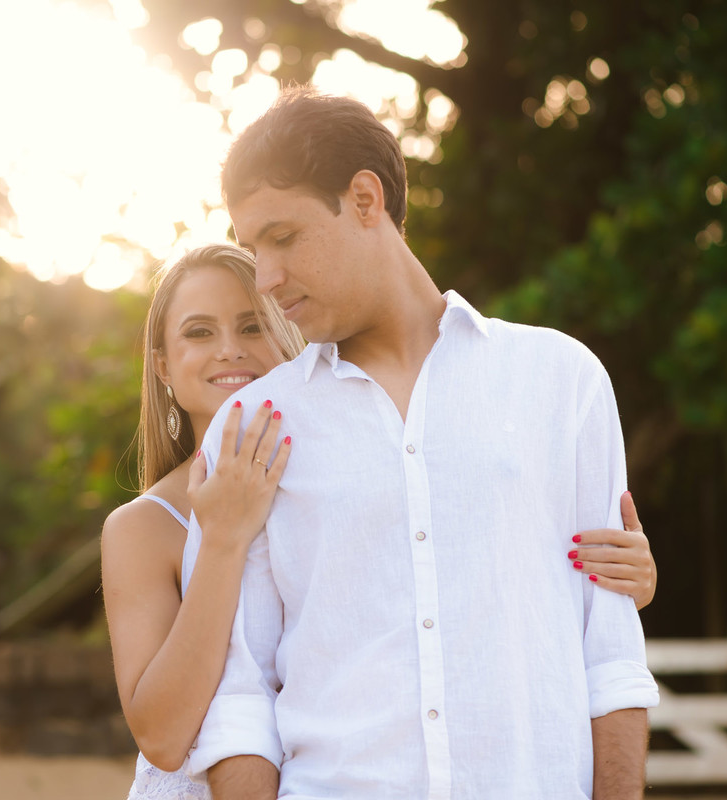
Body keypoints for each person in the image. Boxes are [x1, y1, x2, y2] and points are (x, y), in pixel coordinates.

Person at [182, 88, 660, 799]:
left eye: (283, 238)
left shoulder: (562, 381)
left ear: (366, 200)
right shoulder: (253, 427)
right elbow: (239, 694)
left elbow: (609, 656)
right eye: (254, 249)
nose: (267, 279)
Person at [102, 242, 658, 799]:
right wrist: (222, 540)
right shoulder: (143, 527)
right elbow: (166, 737)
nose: (230, 350)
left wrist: (608, 585)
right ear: (163, 367)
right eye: (199, 332)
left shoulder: (334, 470)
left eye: (253, 326)